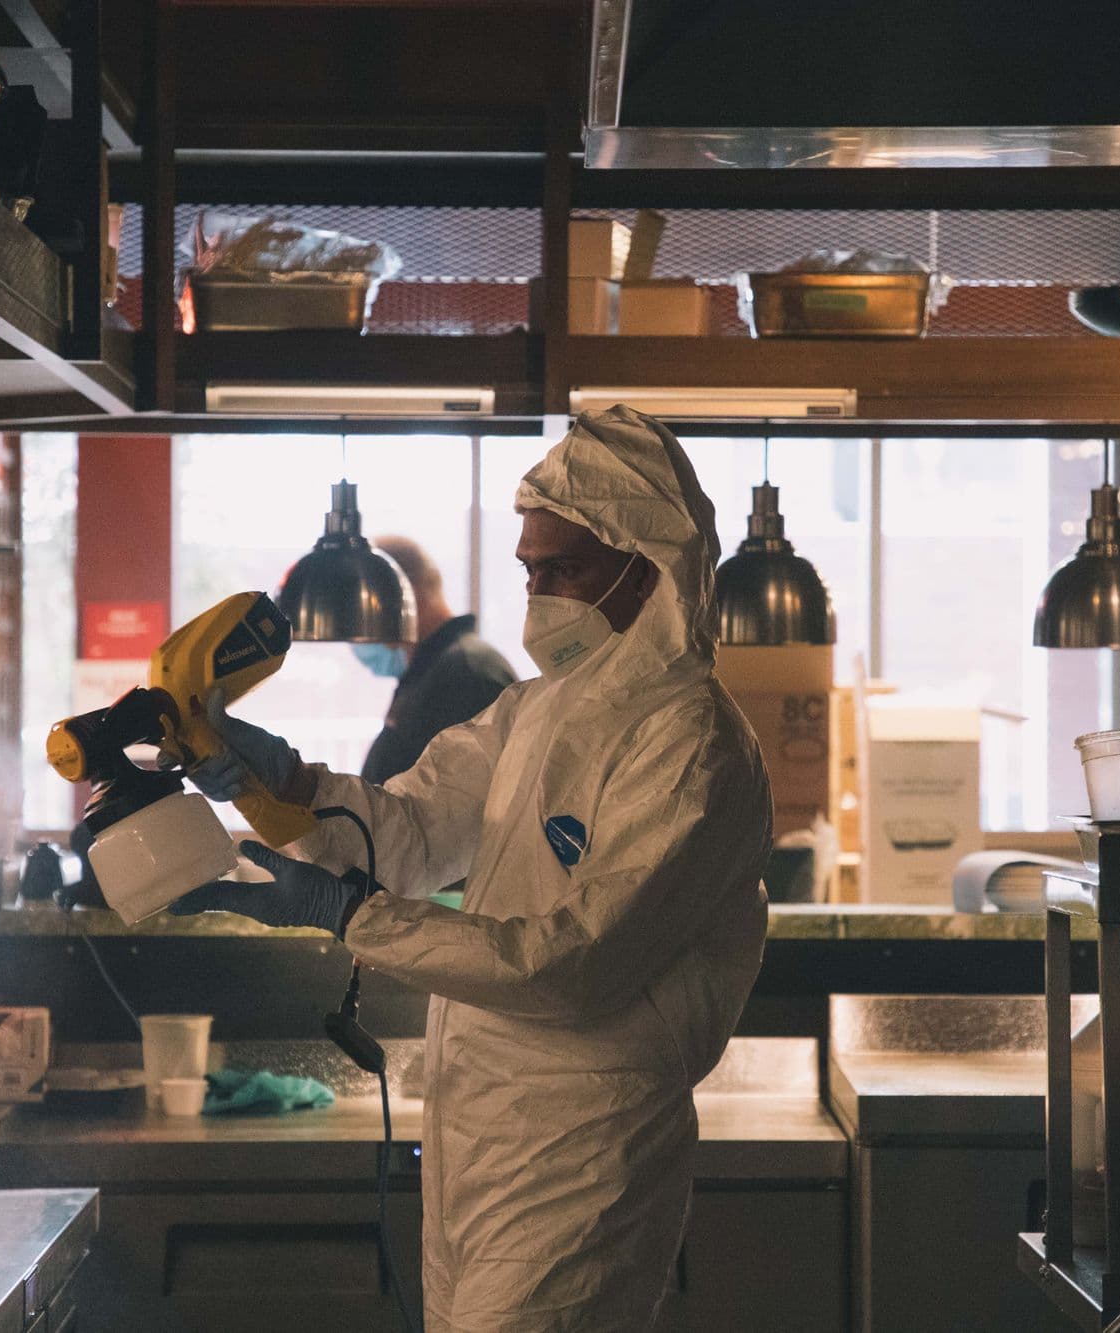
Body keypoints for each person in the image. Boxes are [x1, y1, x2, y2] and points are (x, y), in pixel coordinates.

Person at [174, 406, 773, 1331]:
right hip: (476, 1137)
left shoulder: (690, 745)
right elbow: (409, 830)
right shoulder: (535, 713)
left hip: (584, 1154)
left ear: (646, 563)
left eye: (561, 569)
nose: (538, 596)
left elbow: (576, 960)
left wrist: (353, 919)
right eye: (530, 571)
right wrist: (276, 779)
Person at [354, 535, 515, 785]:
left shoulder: (465, 676)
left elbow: (461, 806)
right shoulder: (433, 670)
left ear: (407, 593)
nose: (359, 621)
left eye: (366, 602)